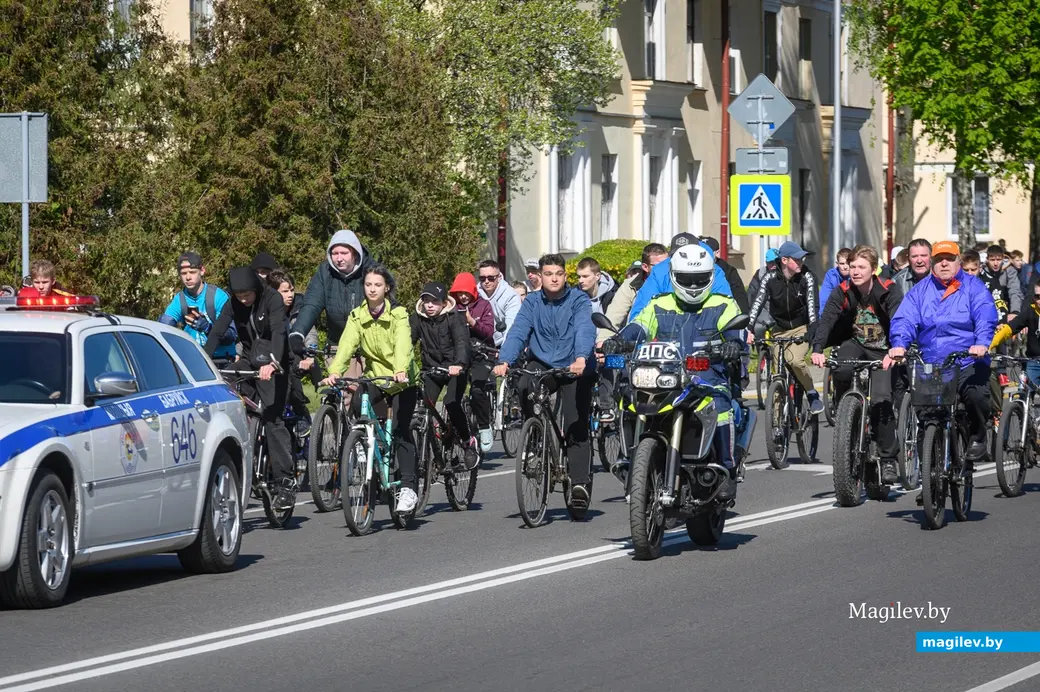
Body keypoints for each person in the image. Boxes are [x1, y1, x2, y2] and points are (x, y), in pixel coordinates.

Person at [604, 243, 745, 500]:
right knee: (629, 399)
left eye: (699, 279)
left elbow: (736, 331)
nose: (692, 286)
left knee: (721, 407)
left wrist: (734, 345)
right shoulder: (660, 303)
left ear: (710, 277)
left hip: (707, 377)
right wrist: (620, 339)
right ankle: (628, 458)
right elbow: (639, 325)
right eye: (686, 279)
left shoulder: (723, 304)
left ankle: (727, 467)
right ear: (673, 277)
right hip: (665, 376)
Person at [493, 254, 597, 511]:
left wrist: (582, 356)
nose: (554, 278)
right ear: (541, 276)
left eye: (558, 273)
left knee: (575, 421)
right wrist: (505, 360)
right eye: (548, 273)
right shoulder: (532, 303)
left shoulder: (578, 300)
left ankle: (579, 484)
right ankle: (534, 440)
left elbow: (585, 328)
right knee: (525, 384)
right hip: (543, 362)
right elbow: (518, 331)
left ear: (565, 276)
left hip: (575, 364)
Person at [886, 240, 998, 468]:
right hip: (933, 364)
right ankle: (929, 476)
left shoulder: (974, 287)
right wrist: (899, 344)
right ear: (932, 263)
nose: (944, 263)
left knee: (976, 395)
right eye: (939, 259)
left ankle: (977, 436)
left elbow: (985, 316)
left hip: (967, 359)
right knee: (926, 417)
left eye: (949, 259)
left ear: (958, 261)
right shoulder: (920, 291)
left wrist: (982, 343)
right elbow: (904, 320)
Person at [321, 265, 421, 513]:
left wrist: (399, 369)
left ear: (386, 288)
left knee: (400, 428)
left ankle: (408, 488)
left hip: (402, 380)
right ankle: (365, 445)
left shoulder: (398, 314)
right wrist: (335, 371)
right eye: (368, 285)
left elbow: (403, 345)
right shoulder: (358, 316)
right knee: (357, 404)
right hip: (376, 378)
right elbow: (346, 345)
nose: (372, 289)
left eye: (377, 285)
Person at [811, 245, 904, 484]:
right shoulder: (842, 291)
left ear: (873, 269)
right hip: (856, 343)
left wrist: (895, 351)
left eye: (861, 267)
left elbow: (899, 321)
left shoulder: (889, 289)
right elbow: (827, 319)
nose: (855, 271)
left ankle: (888, 458)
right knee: (841, 368)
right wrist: (818, 349)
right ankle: (848, 413)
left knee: (882, 399)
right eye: (852, 266)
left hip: (884, 349)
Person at [228, 266, 296, 510]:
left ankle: (285, 482)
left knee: (271, 418)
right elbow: (217, 331)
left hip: (275, 363)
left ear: (256, 288)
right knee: (230, 398)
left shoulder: (273, 299)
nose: (243, 299)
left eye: (247, 294)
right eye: (239, 295)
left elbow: (279, 333)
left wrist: (273, 363)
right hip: (249, 360)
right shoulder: (233, 303)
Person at [290, 229, 374, 403]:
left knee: (370, 398)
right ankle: (341, 429)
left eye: (344, 252)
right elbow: (311, 305)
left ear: (355, 253)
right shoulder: (325, 272)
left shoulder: (371, 271)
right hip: (338, 345)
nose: (339, 258)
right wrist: (297, 333)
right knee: (344, 397)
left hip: (370, 346)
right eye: (334, 253)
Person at [746, 241, 824, 414]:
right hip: (779, 329)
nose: (801, 262)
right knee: (777, 372)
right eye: (797, 259)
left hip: (801, 327)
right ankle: (776, 419)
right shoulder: (770, 278)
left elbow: (812, 305)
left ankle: (811, 393)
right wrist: (749, 327)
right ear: (784, 260)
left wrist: (812, 329)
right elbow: (758, 302)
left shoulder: (807, 277)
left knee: (795, 360)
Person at [410, 281, 478, 469]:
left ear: (443, 302)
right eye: (426, 301)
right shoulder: (418, 319)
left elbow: (462, 343)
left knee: (451, 402)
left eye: (434, 301)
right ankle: (430, 448)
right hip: (431, 369)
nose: (430, 305)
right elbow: (408, 342)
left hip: (455, 369)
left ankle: (467, 442)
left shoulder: (454, 317)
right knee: (424, 405)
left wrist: (459, 364)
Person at [628, 233, 736, 322]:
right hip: (668, 338)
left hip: (707, 336)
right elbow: (641, 314)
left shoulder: (714, 271)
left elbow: (727, 310)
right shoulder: (660, 272)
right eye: (678, 254)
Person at [159, 252, 238, 361]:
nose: (187, 277)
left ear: (202, 271)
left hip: (221, 358)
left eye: (192, 272)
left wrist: (207, 327)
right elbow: (165, 325)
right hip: (194, 359)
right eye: (183, 273)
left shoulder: (218, 296)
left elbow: (231, 336)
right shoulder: (180, 299)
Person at [450, 272, 497, 452]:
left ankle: (485, 427)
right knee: (452, 395)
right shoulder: (452, 307)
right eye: (459, 293)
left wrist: (472, 322)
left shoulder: (484, 306)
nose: (462, 296)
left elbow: (489, 332)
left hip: (482, 355)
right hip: (460, 356)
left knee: (477, 390)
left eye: (466, 292)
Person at [266, 270, 318, 431]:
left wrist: (310, 355)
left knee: (291, 375)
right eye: (284, 291)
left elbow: (310, 334)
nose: (290, 295)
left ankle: (301, 412)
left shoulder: (300, 309)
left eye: (291, 290)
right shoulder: (264, 309)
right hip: (272, 355)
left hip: (297, 356)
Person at [600, 242, 668, 342]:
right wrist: (602, 341)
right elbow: (615, 314)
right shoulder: (631, 285)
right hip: (639, 342)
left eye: (667, 264)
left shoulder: (674, 281)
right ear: (645, 267)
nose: (665, 269)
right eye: (659, 266)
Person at [992, 283, 1040, 386]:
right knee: (1024, 390)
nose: (1039, 300)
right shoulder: (1030, 311)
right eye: (1037, 297)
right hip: (1033, 360)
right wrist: (988, 344)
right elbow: (1009, 329)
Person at [476, 259, 522, 349]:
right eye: (482, 278)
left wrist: (505, 350)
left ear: (499, 277)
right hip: (479, 342)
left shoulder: (511, 296)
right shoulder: (475, 293)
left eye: (491, 278)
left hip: (502, 343)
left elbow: (511, 326)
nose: (486, 281)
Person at [699, 236, 750, 313]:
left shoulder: (727, 270)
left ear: (717, 253)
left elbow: (739, 295)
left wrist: (743, 317)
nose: (702, 255)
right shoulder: (688, 268)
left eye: (707, 251)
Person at [980, 244, 1023, 324]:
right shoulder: (981, 272)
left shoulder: (1010, 271)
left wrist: (1015, 312)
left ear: (1003, 259)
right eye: (992, 260)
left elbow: (1014, 291)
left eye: (999, 260)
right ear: (987, 260)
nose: (996, 263)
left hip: (1005, 306)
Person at [747, 247, 779, 344]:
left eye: (776, 262)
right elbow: (751, 295)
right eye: (770, 263)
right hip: (763, 309)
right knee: (757, 329)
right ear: (766, 263)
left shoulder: (785, 274)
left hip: (778, 310)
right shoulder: (760, 274)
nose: (774, 265)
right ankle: (762, 351)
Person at [818, 248, 852, 317]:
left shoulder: (856, 275)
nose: (845, 267)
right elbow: (823, 300)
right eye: (842, 264)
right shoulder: (831, 275)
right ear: (837, 264)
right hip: (835, 312)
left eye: (848, 263)